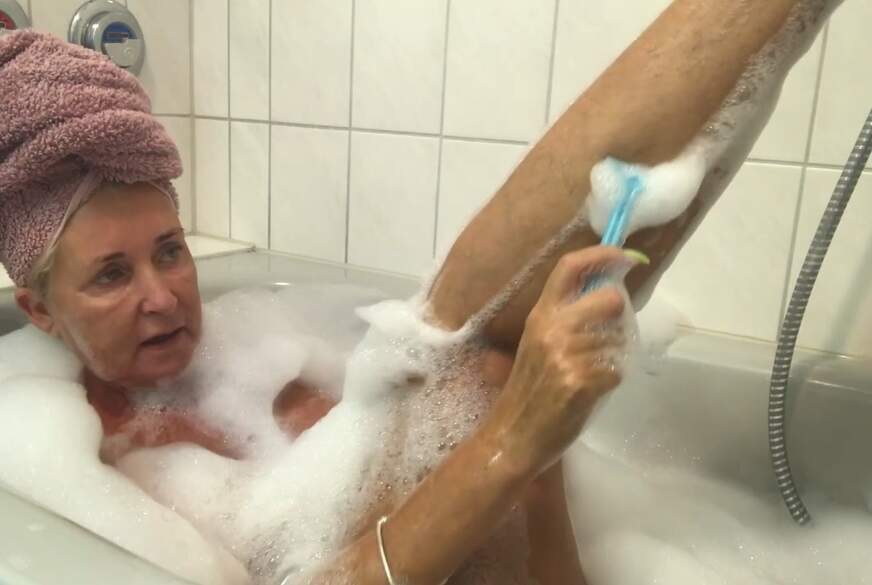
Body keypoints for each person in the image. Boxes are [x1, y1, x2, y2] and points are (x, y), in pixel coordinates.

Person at [0, 0, 834, 582]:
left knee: (460, 346)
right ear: (40, 311)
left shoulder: (257, 349)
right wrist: (511, 442)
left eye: (171, 251)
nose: (163, 295)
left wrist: (521, 448)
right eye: (112, 274)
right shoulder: (83, 463)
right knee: (473, 356)